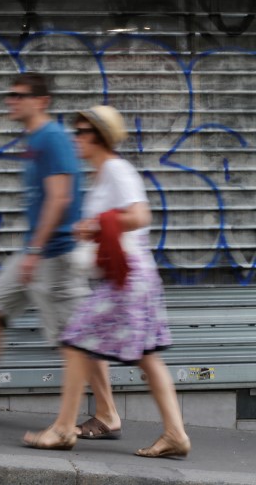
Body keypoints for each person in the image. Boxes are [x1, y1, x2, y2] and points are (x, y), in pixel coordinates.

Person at [0, 72, 116, 423]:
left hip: (56, 256)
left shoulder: (53, 138)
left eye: (19, 95)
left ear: (41, 101)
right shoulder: (35, 139)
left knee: (77, 339)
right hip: (37, 251)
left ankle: (107, 413)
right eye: (10, 94)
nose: (11, 100)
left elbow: (59, 198)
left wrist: (34, 250)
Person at [22, 105, 190, 458]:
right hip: (134, 277)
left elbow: (140, 214)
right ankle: (176, 435)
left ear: (100, 137)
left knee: (74, 342)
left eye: (82, 131)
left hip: (126, 280)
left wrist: (97, 225)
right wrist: (93, 229)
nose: (75, 137)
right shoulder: (103, 175)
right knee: (147, 357)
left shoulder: (115, 169)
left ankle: (63, 430)